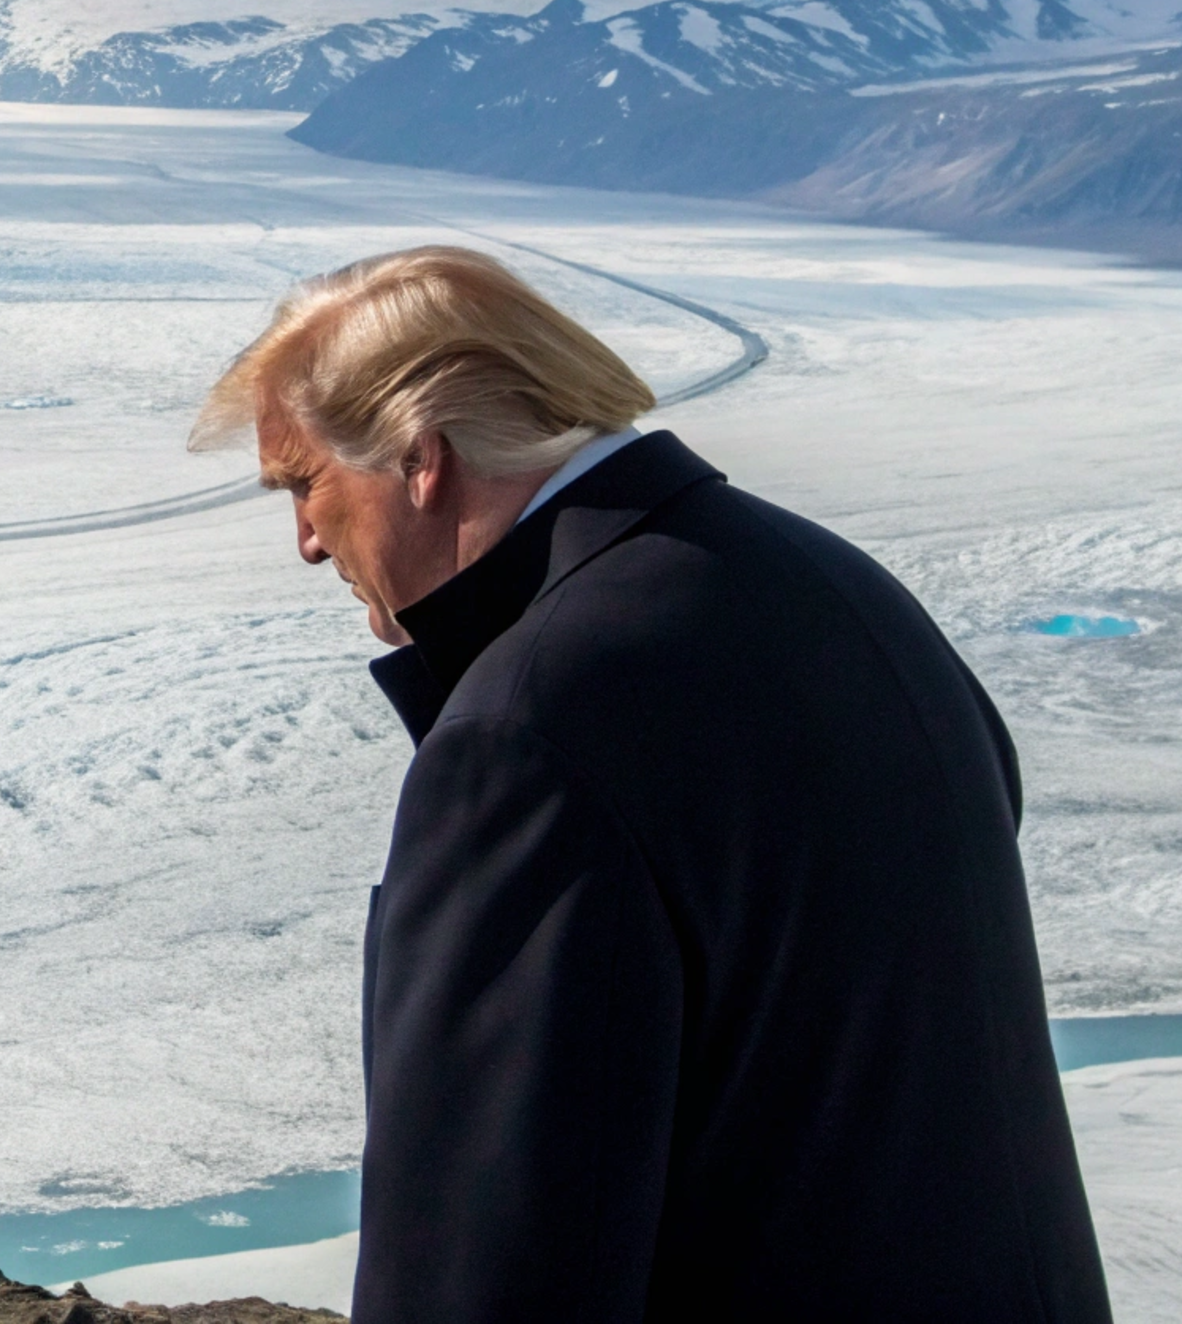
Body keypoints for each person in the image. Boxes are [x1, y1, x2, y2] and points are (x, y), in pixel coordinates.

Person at [194, 247, 1111, 1322]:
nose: (304, 540)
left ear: (418, 455)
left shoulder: (528, 733)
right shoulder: (837, 592)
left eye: (304, 483)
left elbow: (493, 1256)